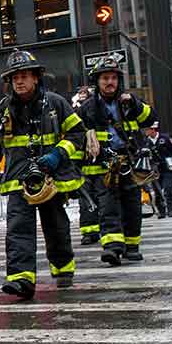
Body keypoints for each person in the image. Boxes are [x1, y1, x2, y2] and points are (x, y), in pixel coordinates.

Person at [0, 50, 84, 299]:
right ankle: (21, 279)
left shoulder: (56, 104)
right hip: (17, 181)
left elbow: (77, 133)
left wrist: (58, 154)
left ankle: (63, 271)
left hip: (50, 180)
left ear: (36, 77)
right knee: (17, 230)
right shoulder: (2, 110)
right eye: (14, 77)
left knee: (56, 227)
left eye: (24, 75)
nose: (19, 81)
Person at [75, 56, 158, 265]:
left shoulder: (129, 102)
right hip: (103, 165)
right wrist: (77, 168)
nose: (109, 82)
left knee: (132, 206)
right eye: (105, 78)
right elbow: (77, 138)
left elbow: (150, 118)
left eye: (113, 77)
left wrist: (136, 104)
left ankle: (132, 247)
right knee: (108, 207)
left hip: (128, 162)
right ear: (97, 81)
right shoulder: (87, 108)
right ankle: (112, 247)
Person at [72, 84, 101, 245]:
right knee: (86, 200)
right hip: (85, 168)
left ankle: (106, 229)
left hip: (103, 166)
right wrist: (74, 166)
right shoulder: (77, 117)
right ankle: (89, 232)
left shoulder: (100, 112)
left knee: (105, 200)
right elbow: (76, 141)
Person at [146, 122, 172, 218]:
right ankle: (161, 211)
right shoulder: (146, 142)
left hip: (167, 167)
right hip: (155, 169)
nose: (146, 132)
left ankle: (171, 210)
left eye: (147, 130)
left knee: (169, 188)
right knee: (157, 191)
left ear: (153, 129)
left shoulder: (165, 138)